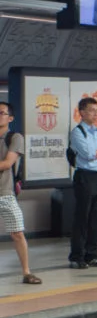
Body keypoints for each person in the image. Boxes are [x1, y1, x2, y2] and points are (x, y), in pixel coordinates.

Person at [68, 97, 97, 269]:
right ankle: (76, 255)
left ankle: (92, 254)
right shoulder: (78, 131)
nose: (96, 114)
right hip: (85, 176)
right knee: (82, 217)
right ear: (82, 112)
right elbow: (87, 154)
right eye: (92, 110)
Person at [0, 101, 39, 283]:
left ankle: (26, 272)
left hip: (5, 192)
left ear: (10, 118)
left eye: (2, 113)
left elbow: (7, 164)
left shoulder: (14, 138)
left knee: (17, 232)